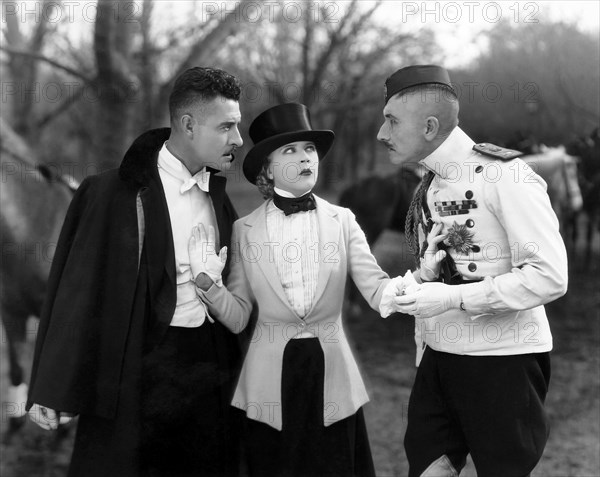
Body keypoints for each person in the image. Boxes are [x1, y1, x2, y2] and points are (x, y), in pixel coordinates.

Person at [187, 102, 435, 477]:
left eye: (310, 150)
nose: (305, 158)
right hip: (271, 380)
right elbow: (238, 317)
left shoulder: (343, 221)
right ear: (268, 169)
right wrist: (208, 284)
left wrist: (420, 279)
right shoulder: (245, 231)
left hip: (331, 375)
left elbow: (377, 289)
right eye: (290, 150)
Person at [26, 67, 244, 477]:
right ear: (188, 124)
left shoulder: (219, 196)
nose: (238, 139)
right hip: (133, 372)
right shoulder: (111, 193)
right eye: (228, 126)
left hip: (208, 371)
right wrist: (53, 386)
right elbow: (77, 290)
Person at [377, 65, 569, 477]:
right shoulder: (429, 183)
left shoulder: (505, 175)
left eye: (391, 120)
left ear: (429, 126)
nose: (382, 132)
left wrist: (452, 297)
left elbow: (549, 275)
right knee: (428, 467)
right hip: (439, 357)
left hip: (502, 362)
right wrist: (424, 281)